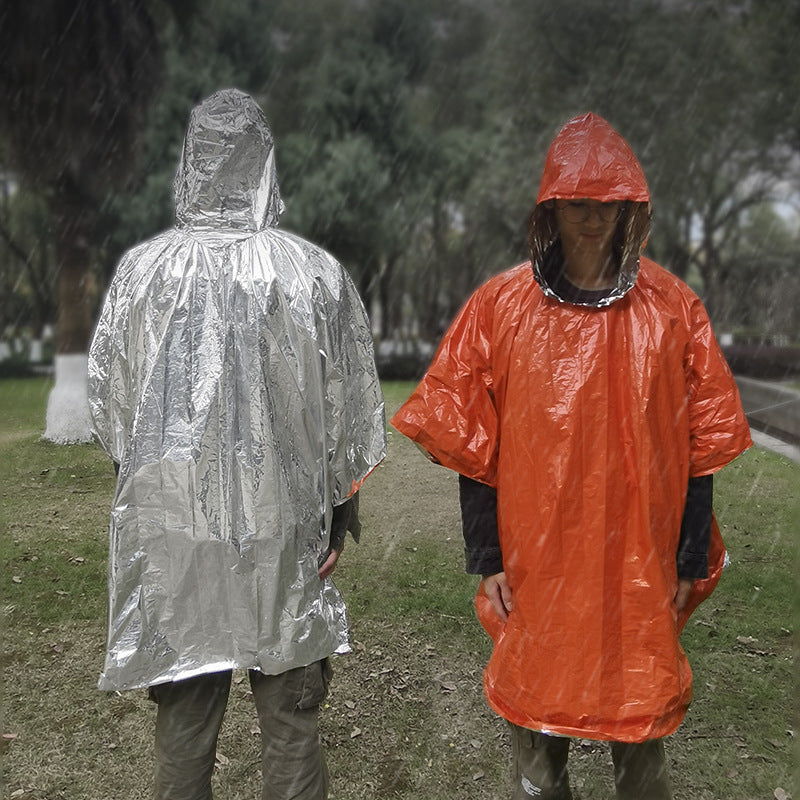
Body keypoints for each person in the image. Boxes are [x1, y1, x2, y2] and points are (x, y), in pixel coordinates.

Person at [390, 112, 751, 799]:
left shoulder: (673, 310)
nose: (592, 219)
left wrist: (687, 558)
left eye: (606, 205)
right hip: (539, 560)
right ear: (551, 209)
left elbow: (700, 449)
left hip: (638, 564)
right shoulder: (501, 308)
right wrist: (489, 559)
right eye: (578, 203)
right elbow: (474, 446)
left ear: (628, 210)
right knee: (538, 714)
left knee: (638, 722)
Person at [88, 88, 386, 800]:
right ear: (264, 160)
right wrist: (338, 517)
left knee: (185, 724)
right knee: (290, 719)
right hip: (283, 528)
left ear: (191, 162)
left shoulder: (142, 276)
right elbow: (349, 417)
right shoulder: (312, 275)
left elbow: (113, 409)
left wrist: (155, 491)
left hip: (176, 533)